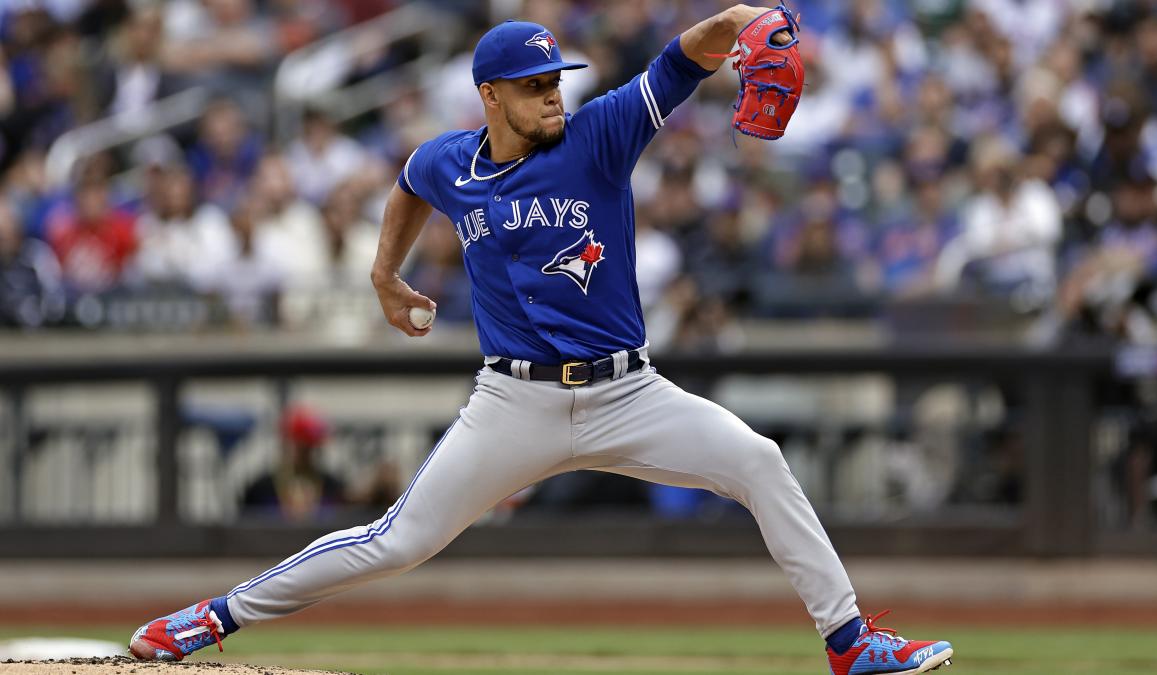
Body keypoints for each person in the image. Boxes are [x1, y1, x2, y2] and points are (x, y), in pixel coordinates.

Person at [128, 8, 954, 675]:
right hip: (512, 402)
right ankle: (214, 615)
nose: (553, 95)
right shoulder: (453, 161)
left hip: (629, 393)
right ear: (491, 96)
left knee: (760, 461)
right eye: (533, 87)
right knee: (398, 541)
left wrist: (744, 18)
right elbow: (411, 182)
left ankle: (850, 643)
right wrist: (385, 273)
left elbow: (683, 57)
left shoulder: (598, 135)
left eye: (555, 80)